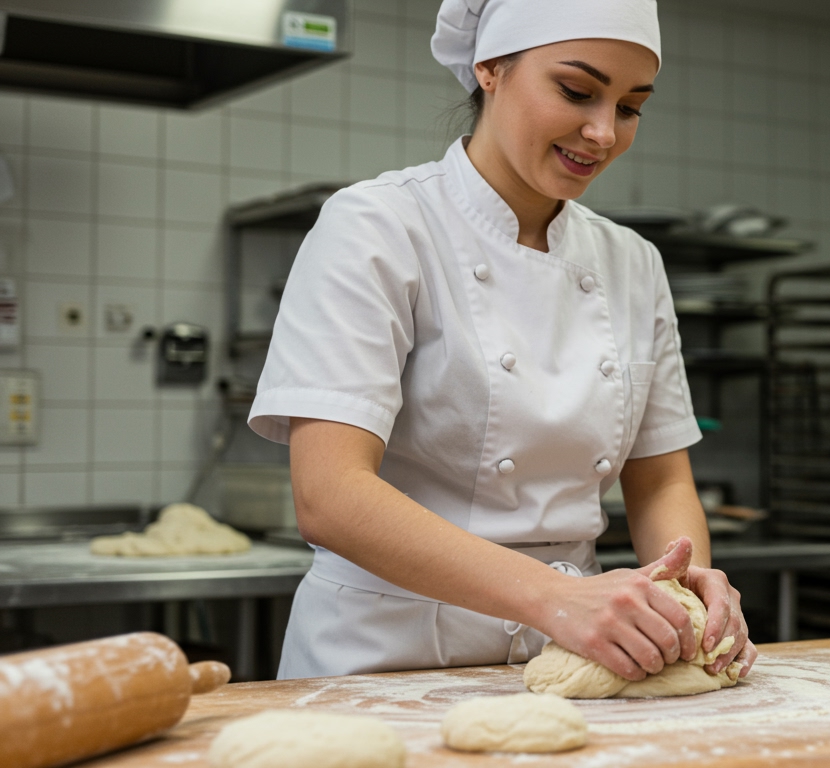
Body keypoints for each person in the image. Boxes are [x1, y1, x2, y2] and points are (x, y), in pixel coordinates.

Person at [248, 0, 756, 682]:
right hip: (379, 660)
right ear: (489, 67)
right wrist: (556, 598)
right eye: (576, 91)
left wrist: (688, 582)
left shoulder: (632, 261)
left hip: (577, 653)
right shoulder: (377, 227)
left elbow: (660, 474)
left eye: (631, 107)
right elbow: (330, 495)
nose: (603, 132)